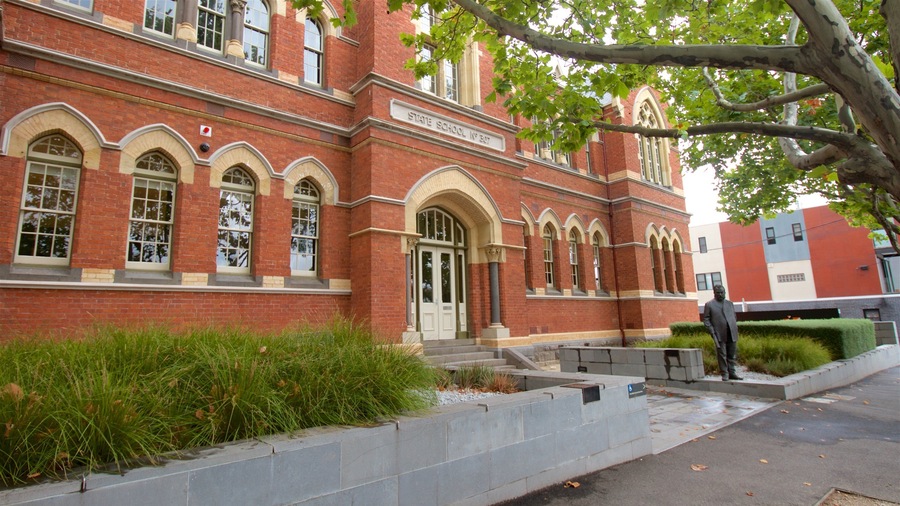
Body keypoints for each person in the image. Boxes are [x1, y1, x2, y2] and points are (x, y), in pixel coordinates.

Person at [702, 284, 743, 381]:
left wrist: (733, 326)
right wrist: (712, 331)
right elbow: (706, 320)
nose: (720, 294)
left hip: (731, 332)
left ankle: (732, 372)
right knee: (722, 354)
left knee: (732, 354)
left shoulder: (729, 303)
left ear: (725, 293)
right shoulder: (709, 305)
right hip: (719, 333)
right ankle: (724, 373)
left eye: (722, 292)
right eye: (718, 293)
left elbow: (734, 316)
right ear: (714, 293)